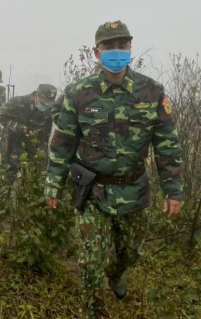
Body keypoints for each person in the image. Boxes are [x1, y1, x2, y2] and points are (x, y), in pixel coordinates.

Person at [44, 20, 183, 319]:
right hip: (94, 192)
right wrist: (52, 183)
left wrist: (173, 189)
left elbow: (166, 144)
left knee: (130, 253)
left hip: (134, 191)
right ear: (97, 52)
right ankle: (96, 312)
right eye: (109, 47)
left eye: (123, 45)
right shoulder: (79, 93)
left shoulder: (151, 91)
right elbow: (63, 143)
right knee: (90, 263)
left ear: (131, 49)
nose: (116, 51)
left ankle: (117, 273)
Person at [0, 83, 57, 177]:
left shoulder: (49, 109)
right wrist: (17, 126)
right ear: (36, 95)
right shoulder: (17, 102)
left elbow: (46, 132)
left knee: (41, 175)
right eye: (43, 103)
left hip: (35, 146)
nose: (46, 106)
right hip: (13, 145)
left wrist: (43, 150)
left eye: (48, 104)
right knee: (8, 176)